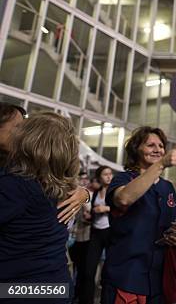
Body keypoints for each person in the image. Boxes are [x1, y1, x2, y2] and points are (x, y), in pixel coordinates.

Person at [0, 112, 80, 303]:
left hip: (20, 289)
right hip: (57, 285)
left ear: (30, 140)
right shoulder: (64, 186)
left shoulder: (15, 186)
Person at [102, 126, 176, 303]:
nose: (158, 149)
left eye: (161, 146)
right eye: (150, 145)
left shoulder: (167, 187)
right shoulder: (123, 179)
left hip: (159, 278)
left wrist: (174, 235)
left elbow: (171, 224)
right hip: (126, 274)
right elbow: (124, 199)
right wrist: (161, 164)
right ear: (136, 149)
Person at [83, 166, 113, 304]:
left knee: (108, 271)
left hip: (110, 231)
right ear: (99, 177)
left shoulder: (114, 191)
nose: (108, 176)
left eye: (110, 174)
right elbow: (93, 211)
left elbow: (124, 206)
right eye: (105, 174)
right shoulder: (96, 192)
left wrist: (106, 208)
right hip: (96, 232)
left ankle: (106, 300)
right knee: (89, 270)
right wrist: (90, 214)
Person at [69, 172, 93, 304]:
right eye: (81, 178)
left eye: (86, 179)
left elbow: (89, 216)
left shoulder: (89, 196)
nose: (83, 181)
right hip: (71, 237)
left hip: (85, 238)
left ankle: (76, 294)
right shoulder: (73, 194)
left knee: (81, 270)